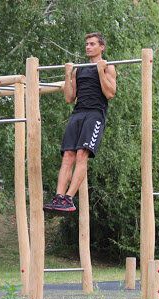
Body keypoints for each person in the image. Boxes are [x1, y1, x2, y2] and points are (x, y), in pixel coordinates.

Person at [43, 32, 117, 212]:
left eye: (92, 44)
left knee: (81, 155)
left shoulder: (109, 67)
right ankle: (59, 197)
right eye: (87, 44)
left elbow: (110, 93)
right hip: (78, 113)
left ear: (101, 47)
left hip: (95, 115)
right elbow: (69, 98)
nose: (88, 47)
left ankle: (69, 198)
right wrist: (68, 75)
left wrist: (100, 71)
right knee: (68, 155)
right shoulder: (79, 69)